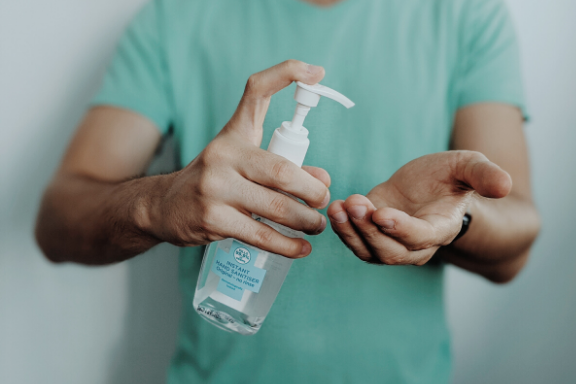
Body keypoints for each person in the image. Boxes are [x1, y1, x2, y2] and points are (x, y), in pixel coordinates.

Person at [35, 0, 540, 382]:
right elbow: (58, 221)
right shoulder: (179, 16)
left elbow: (514, 248)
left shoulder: (465, 14)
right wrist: (158, 203)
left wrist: (456, 224)